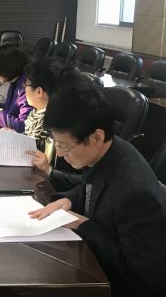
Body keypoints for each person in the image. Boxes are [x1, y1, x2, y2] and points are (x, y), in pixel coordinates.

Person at [29, 85, 166, 297]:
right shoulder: (108, 150)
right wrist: (69, 200)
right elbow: (89, 185)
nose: (61, 154)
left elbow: (140, 276)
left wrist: (83, 224)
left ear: (96, 137)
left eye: (64, 146)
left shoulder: (135, 194)